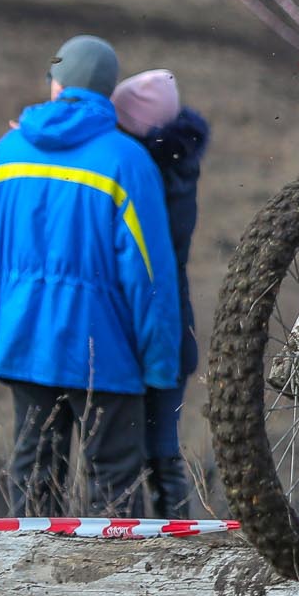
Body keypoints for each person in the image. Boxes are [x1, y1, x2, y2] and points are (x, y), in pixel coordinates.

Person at [0, 35, 179, 516]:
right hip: (106, 355)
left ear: (55, 85)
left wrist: (0, 338)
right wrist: (159, 365)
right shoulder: (127, 162)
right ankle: (120, 590)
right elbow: (150, 279)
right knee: (116, 495)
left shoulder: (5, 153)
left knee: (34, 488)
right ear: (108, 92)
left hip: (24, 346)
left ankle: (28, 590)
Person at [113, 68, 211, 519]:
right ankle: (180, 532)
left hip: (144, 327)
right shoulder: (180, 164)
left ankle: (130, 546)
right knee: (163, 449)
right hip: (176, 326)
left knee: (128, 453)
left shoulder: (143, 173)